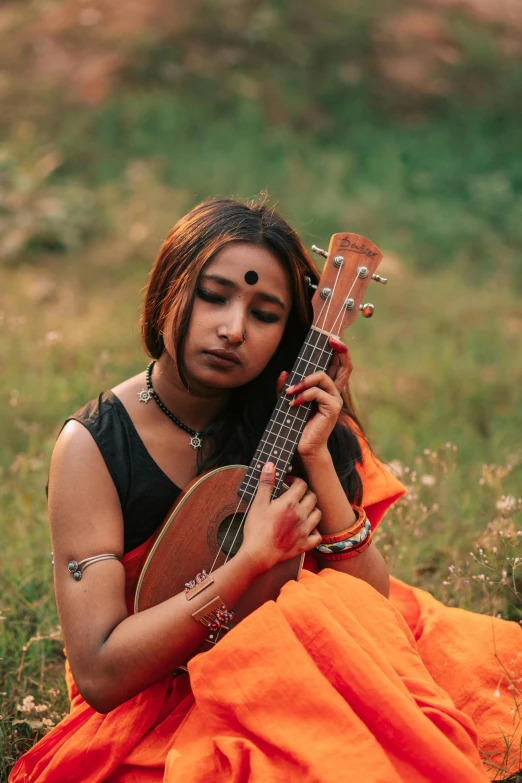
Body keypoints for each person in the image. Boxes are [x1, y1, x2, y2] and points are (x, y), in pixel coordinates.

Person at [9, 198, 521, 782]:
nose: (233, 328)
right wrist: (249, 562)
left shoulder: (281, 416)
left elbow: (372, 605)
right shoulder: (93, 447)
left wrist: (317, 459)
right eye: (214, 295)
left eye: (265, 313)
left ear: (286, 332)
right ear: (167, 291)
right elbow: (101, 675)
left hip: (307, 655)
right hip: (165, 684)